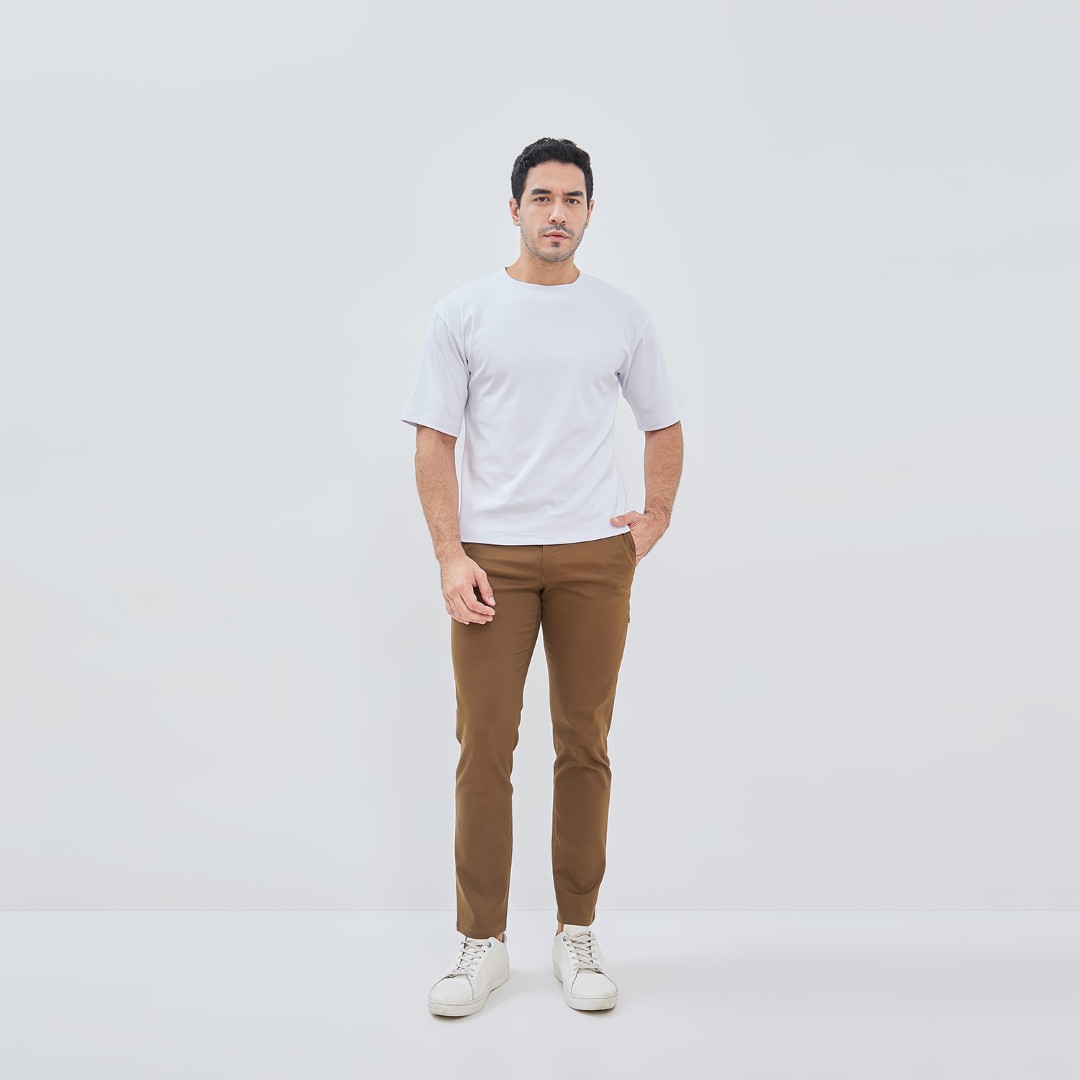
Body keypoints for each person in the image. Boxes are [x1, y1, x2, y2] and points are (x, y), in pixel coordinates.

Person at [400, 137, 684, 1017]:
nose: (557, 213)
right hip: (493, 562)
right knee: (484, 746)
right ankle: (481, 943)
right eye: (541, 198)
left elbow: (664, 423)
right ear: (515, 208)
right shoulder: (465, 312)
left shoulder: (622, 315)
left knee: (584, 745)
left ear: (590, 211)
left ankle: (577, 934)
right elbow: (434, 439)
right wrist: (450, 554)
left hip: (595, 558)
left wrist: (654, 517)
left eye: (572, 199)